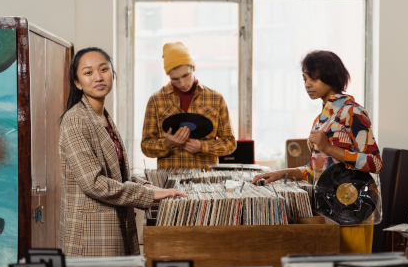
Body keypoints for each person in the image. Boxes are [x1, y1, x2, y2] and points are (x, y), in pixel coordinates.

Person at [59, 47, 185, 257]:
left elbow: (116, 174)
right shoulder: (75, 120)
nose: (98, 77)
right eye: (88, 73)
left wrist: (147, 185)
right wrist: (149, 194)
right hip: (92, 234)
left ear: (113, 75)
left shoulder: (104, 117)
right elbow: (94, 183)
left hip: (113, 225)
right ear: (77, 83)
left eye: (104, 69)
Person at [253, 50, 382, 186]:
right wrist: (281, 173)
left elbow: (375, 163)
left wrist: (329, 148)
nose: (307, 84)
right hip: (326, 200)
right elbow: (317, 171)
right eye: (305, 79)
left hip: (351, 203)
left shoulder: (352, 111)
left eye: (313, 78)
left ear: (332, 77)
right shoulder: (321, 120)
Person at [141, 42, 237, 169]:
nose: (182, 83)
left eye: (185, 75)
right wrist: (167, 144)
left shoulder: (216, 99)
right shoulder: (155, 101)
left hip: (206, 183)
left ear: (193, 68)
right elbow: (146, 146)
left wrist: (202, 147)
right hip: (169, 184)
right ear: (168, 76)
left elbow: (230, 143)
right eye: (175, 79)